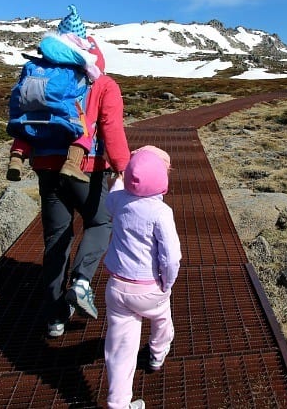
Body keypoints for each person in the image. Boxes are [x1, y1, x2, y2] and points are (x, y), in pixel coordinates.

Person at [8, 5, 131, 338]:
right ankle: (80, 281)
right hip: (84, 169)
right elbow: (111, 129)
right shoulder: (103, 84)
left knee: (56, 239)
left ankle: (54, 317)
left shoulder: (37, 73)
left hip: (44, 165)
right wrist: (123, 169)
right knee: (100, 221)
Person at [102, 146, 181, 409]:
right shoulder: (161, 212)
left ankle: (118, 403)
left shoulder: (118, 201)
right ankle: (157, 356)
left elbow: (111, 195)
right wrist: (167, 283)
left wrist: (120, 177)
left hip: (117, 287)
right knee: (162, 320)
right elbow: (171, 257)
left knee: (120, 348)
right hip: (150, 288)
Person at [6, 5, 106, 184]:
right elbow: (95, 73)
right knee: (84, 128)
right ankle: (72, 164)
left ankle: (16, 159)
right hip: (59, 108)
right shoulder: (76, 57)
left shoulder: (46, 51)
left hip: (32, 107)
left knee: (25, 127)